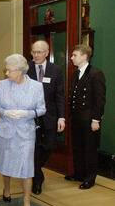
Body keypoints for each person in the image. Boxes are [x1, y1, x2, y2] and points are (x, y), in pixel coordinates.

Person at [0, 54, 46, 206]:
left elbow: (42, 109)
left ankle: (26, 200)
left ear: (19, 71)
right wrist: (5, 112)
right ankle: (7, 190)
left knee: (27, 168)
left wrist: (27, 113)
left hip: (26, 133)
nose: (6, 73)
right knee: (6, 163)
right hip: (6, 131)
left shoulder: (36, 87)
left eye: (9, 70)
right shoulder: (2, 85)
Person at [27, 40, 65, 195]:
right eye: (33, 52)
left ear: (47, 52)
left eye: (39, 52)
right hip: (31, 116)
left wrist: (61, 117)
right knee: (34, 148)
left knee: (49, 146)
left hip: (50, 116)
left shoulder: (55, 70)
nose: (35, 55)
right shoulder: (26, 68)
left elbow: (59, 95)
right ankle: (37, 179)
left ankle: (34, 170)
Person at [66, 44, 106, 190]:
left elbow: (100, 99)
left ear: (84, 56)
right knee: (77, 147)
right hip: (77, 117)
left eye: (74, 55)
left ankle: (89, 178)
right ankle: (79, 174)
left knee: (89, 149)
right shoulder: (76, 74)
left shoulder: (95, 73)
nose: (71, 58)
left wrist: (96, 120)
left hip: (89, 118)